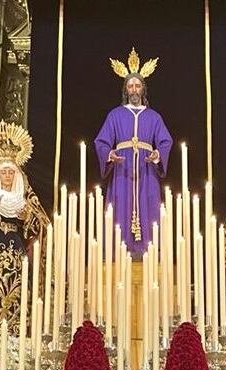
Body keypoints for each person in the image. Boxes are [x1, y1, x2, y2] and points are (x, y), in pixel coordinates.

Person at [0, 121, 49, 331]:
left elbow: (39, 228)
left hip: (16, 248)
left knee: (18, 289)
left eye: (11, 172)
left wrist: (27, 218)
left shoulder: (23, 200)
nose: (8, 176)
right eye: (4, 172)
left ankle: (15, 328)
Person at [94, 48, 173, 254]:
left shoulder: (154, 116)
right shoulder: (115, 115)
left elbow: (165, 141)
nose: (134, 89)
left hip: (146, 170)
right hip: (123, 169)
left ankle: (148, 252)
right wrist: (109, 154)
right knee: (120, 206)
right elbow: (101, 141)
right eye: (130, 86)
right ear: (125, 90)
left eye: (138, 85)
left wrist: (158, 155)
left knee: (149, 206)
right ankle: (119, 251)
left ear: (143, 89)